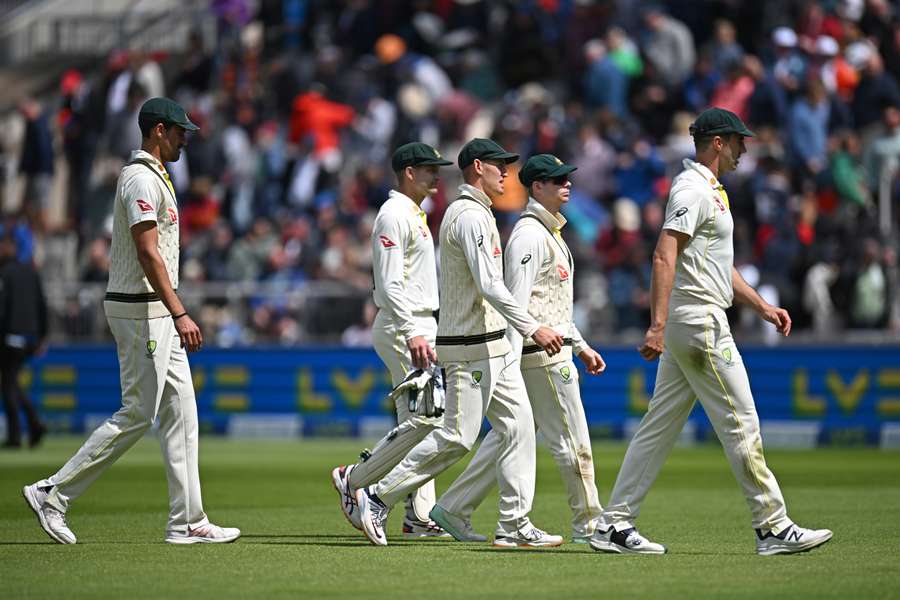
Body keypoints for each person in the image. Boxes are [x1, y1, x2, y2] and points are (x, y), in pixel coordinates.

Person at [589, 108, 832, 556]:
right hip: (698, 321)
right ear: (717, 143)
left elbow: (717, 265)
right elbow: (665, 255)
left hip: (696, 317)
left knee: (657, 428)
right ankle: (772, 526)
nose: (744, 149)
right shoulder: (691, 188)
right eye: (739, 141)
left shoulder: (711, 191)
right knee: (741, 421)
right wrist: (657, 326)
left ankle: (614, 525)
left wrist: (761, 305)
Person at [22, 97, 240, 545]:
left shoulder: (157, 175)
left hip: (154, 308)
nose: (185, 139)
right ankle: (53, 493)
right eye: (180, 131)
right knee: (138, 412)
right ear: (158, 130)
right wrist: (179, 311)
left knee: (183, 414)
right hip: (141, 308)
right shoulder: (140, 177)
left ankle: (187, 521)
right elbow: (146, 251)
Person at [354, 138, 566, 547]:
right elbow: (489, 285)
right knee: (457, 436)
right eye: (498, 166)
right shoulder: (468, 215)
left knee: (519, 426)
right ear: (477, 168)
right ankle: (377, 497)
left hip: (491, 345)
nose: (506, 173)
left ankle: (515, 525)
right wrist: (530, 326)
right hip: (469, 345)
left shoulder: (476, 213)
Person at [430, 155, 608, 544]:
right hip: (539, 356)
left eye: (567, 178)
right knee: (572, 442)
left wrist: (580, 345)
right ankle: (590, 525)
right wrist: (512, 358)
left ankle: (454, 507)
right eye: (557, 179)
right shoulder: (529, 236)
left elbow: (553, 306)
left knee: (511, 435)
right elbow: (517, 302)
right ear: (537, 187)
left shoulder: (551, 234)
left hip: (548, 351)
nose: (567, 184)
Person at [331, 142, 453, 538]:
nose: (436, 175)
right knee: (428, 417)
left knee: (424, 421)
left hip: (418, 323)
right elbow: (389, 282)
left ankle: (419, 515)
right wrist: (413, 330)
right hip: (405, 326)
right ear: (408, 173)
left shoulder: (415, 214)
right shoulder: (393, 214)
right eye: (428, 168)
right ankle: (355, 478)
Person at [0, 236, 47, 448]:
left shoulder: (5, 273)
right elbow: (41, 304)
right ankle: (33, 424)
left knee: (9, 385)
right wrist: (42, 337)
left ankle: (17, 435)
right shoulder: (31, 272)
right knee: (11, 383)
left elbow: (3, 308)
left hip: (10, 337)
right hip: (30, 337)